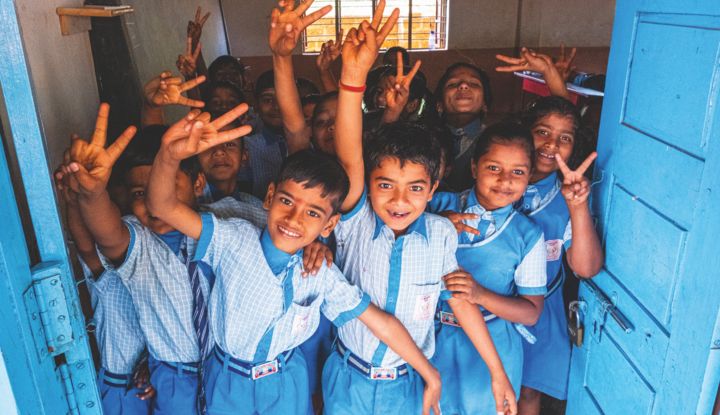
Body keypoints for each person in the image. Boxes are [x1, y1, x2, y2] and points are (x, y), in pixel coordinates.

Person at [145, 99, 444, 414]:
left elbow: (381, 323)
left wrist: (430, 374)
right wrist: (168, 157)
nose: (294, 219)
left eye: (313, 212)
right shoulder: (231, 238)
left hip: (286, 380)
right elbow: (163, 206)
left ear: (329, 224)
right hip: (229, 380)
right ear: (270, 196)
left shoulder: (321, 271)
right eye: (287, 201)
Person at [328, 2, 516, 413]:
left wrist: (497, 371)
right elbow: (348, 158)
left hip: (407, 383)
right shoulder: (356, 221)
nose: (399, 200)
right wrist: (353, 78)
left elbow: (461, 300)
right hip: (348, 379)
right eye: (384, 185)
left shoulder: (441, 234)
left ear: (433, 189)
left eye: (415, 188)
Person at [428, 122, 547, 415]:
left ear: (529, 177)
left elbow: (531, 312)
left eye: (518, 172)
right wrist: (436, 223)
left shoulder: (527, 235)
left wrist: (479, 294)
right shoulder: (436, 204)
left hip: (493, 346)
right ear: (473, 168)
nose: (505, 180)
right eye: (493, 168)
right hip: (429, 337)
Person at [516, 96, 603, 415]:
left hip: (543, 309)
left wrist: (577, 206)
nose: (551, 144)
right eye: (542, 131)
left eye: (564, 138)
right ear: (525, 131)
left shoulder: (570, 192)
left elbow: (586, 268)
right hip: (492, 304)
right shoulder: (498, 178)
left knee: (528, 392)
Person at [434, 62, 493, 191]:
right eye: (453, 84)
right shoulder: (425, 137)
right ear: (439, 104)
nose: (463, 86)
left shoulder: (495, 140)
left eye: (474, 84)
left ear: (484, 104)